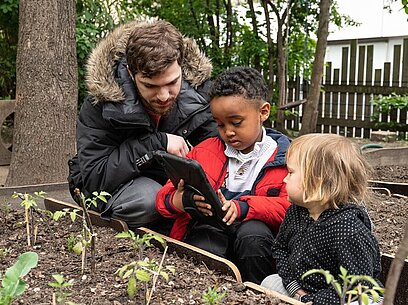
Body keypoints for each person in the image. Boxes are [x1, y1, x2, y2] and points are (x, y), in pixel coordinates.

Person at [67, 20, 218, 230]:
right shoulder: (101, 104)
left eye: (172, 82)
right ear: (130, 73)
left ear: (181, 67)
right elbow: (96, 177)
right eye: (150, 86)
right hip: (119, 186)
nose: (164, 96)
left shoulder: (201, 94)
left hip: (174, 186)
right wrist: (156, 143)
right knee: (148, 201)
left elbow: (220, 149)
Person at [156, 67, 291, 284]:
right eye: (220, 124)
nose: (228, 131)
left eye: (236, 123)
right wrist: (183, 200)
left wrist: (244, 208)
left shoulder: (287, 157)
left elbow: (291, 209)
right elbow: (163, 198)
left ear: (263, 112)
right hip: (210, 232)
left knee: (252, 235)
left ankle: (259, 294)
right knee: (205, 240)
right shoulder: (205, 150)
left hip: (258, 243)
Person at [261, 133, 384, 304]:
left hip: (348, 296)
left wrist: (313, 300)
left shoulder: (348, 230)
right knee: (269, 283)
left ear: (316, 182)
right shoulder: (297, 212)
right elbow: (280, 248)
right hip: (304, 289)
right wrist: (295, 289)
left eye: (290, 172)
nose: (284, 178)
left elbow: (357, 285)